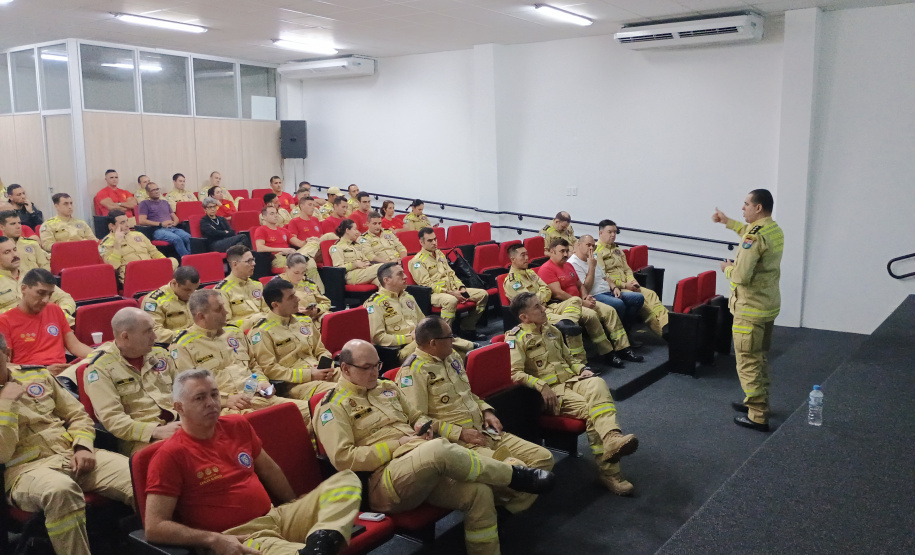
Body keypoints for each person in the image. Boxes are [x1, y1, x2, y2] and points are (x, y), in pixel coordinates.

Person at [315, 339, 556, 555]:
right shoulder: (332, 407)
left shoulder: (386, 387)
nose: (374, 372)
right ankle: (515, 476)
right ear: (345, 368)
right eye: (366, 367)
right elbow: (343, 458)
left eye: (377, 365)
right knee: (438, 448)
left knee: (479, 493)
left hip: (423, 465)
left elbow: (416, 416)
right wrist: (396, 445)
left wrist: (423, 426)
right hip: (385, 481)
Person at [144, 368, 361, 555]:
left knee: (346, 480)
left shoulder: (236, 425)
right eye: (200, 398)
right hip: (240, 536)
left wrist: (294, 503)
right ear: (179, 407)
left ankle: (320, 544)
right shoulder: (170, 455)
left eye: (214, 394)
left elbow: (269, 470)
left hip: (275, 517)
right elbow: (154, 527)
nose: (211, 403)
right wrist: (212, 539)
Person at [397, 316, 554, 513]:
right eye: (449, 336)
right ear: (433, 343)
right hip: (460, 445)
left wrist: (486, 410)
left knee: (544, 458)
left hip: (486, 431)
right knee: (519, 473)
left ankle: (503, 510)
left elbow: (468, 394)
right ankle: (493, 506)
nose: (454, 340)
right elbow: (418, 421)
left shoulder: (452, 357)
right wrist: (460, 433)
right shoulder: (412, 372)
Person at [0, 334, 134, 555]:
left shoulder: (37, 375)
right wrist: (6, 404)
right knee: (60, 490)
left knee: (138, 474)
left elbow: (77, 415)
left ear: (6, 354)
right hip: (25, 472)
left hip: (71, 454)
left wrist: (83, 446)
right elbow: (2, 453)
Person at [507, 292, 639, 495]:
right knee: (592, 411)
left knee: (597, 382)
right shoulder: (515, 338)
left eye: (541, 304)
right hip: (550, 394)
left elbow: (570, 360)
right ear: (524, 317)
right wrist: (541, 386)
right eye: (537, 307)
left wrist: (582, 369)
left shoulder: (552, 330)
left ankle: (612, 438)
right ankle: (610, 473)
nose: (543, 308)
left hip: (571, 381)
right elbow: (514, 373)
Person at [170, 290, 311, 420]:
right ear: (201, 316)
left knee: (314, 410)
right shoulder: (182, 346)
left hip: (260, 398)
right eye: (219, 309)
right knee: (275, 425)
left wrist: (262, 382)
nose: (226, 312)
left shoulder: (234, 332)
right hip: (228, 409)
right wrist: (226, 400)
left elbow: (253, 365)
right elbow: (191, 390)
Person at [712, 189, 784, 432]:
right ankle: (759, 402)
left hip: (749, 310)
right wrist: (728, 222)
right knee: (759, 357)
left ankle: (758, 415)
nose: (742, 208)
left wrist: (726, 268)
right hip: (767, 307)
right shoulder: (773, 229)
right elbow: (748, 232)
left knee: (747, 362)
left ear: (758, 207)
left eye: (746, 204)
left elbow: (741, 276)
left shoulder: (754, 237)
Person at [83, 307, 180, 455]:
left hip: (179, 424)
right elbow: (113, 419)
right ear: (125, 336)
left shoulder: (161, 354)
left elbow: (184, 392)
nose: (154, 336)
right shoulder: (100, 369)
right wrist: (156, 431)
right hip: (141, 439)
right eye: (148, 331)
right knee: (178, 454)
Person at [503, 243, 618, 366]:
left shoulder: (530, 273)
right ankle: (580, 363)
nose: (527, 258)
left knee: (578, 302)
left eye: (527, 254)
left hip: (551, 306)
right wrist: (541, 295)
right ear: (513, 259)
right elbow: (530, 304)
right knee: (573, 326)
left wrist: (539, 295)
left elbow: (547, 290)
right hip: (537, 313)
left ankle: (607, 352)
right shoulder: (512, 282)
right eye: (523, 255)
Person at [538, 238, 641, 365]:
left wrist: (586, 296)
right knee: (592, 315)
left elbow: (580, 285)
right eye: (561, 251)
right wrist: (582, 302)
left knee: (610, 311)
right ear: (551, 252)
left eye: (566, 251)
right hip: (565, 305)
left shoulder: (568, 266)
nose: (565, 254)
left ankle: (623, 348)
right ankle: (607, 353)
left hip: (580, 300)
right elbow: (558, 293)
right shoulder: (546, 269)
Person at [250, 279, 341, 400]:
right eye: (291, 297)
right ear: (275, 305)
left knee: (360, 377)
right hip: (297, 384)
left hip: (321, 372)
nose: (297, 299)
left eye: (295, 294)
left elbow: (321, 350)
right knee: (341, 392)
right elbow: (269, 369)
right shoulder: (261, 331)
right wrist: (309, 375)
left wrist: (326, 367)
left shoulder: (304, 320)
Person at [366, 262, 476, 361]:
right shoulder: (374, 303)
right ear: (387, 280)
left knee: (453, 352)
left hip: (422, 343)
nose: (405, 276)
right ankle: (472, 347)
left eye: (403, 273)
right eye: (400, 274)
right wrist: (410, 337)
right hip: (401, 350)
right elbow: (378, 338)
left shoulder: (407, 297)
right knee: (441, 342)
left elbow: (424, 322)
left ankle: (472, 351)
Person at [0, 268, 92, 372]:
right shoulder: (5, 321)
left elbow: (75, 346)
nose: (46, 300)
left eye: (50, 295)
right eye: (41, 293)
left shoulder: (55, 310)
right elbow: (5, 365)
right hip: (28, 376)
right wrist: (44, 371)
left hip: (61, 373)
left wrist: (99, 356)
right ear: (23, 289)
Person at [410, 227, 488, 341]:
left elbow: (451, 273)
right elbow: (426, 284)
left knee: (483, 294)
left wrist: (461, 287)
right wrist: (451, 293)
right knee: (451, 300)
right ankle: (445, 336)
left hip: (453, 289)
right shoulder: (416, 261)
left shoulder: (440, 254)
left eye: (435, 239)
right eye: (430, 240)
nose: (434, 242)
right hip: (434, 294)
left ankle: (467, 328)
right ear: (421, 242)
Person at [594, 220, 669, 336]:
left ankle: (667, 324)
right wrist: (625, 285)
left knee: (651, 294)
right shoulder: (596, 251)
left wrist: (632, 281)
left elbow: (627, 269)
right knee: (643, 304)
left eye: (615, 232)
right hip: (614, 288)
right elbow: (603, 276)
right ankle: (662, 333)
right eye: (610, 232)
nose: (613, 235)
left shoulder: (617, 250)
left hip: (628, 285)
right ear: (601, 233)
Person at [569, 234, 645, 326]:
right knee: (618, 304)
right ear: (579, 245)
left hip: (608, 291)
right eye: (588, 245)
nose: (591, 248)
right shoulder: (573, 263)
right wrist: (592, 267)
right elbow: (586, 289)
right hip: (595, 294)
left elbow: (605, 277)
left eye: (593, 246)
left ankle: (625, 326)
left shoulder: (591, 259)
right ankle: (617, 328)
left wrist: (614, 287)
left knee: (638, 298)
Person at [0, 237, 76, 326]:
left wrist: (63, 311)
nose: (14, 255)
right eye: (7, 252)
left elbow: (65, 298)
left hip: (55, 324)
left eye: (15, 250)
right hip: (18, 328)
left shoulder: (34, 275)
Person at [98, 210, 178, 281]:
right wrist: (117, 243)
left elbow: (154, 252)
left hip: (150, 268)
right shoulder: (106, 243)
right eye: (122, 222)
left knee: (173, 260)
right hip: (132, 275)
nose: (127, 225)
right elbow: (113, 266)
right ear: (111, 226)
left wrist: (164, 263)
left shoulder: (138, 234)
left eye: (127, 221)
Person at [141, 266, 200, 344]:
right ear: (174, 283)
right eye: (187, 290)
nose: (191, 294)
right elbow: (154, 332)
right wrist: (187, 334)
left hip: (198, 340)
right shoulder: (153, 301)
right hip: (171, 344)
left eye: (195, 289)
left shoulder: (197, 296)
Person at [215, 245, 267, 329]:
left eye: (253, 259)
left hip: (265, 328)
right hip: (242, 332)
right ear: (235, 264)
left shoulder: (257, 285)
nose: (254, 263)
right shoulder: (222, 290)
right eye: (249, 261)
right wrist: (251, 321)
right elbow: (225, 324)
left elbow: (267, 310)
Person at [137, 182, 193, 258]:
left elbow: (175, 217)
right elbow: (142, 221)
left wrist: (174, 223)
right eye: (153, 190)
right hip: (158, 230)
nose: (156, 191)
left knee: (188, 237)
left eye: (157, 189)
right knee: (177, 239)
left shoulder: (165, 202)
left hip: (172, 228)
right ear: (147, 192)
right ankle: (187, 259)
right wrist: (160, 224)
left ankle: (189, 258)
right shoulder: (144, 203)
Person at [275, 253, 331, 326]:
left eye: (303, 273)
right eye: (296, 273)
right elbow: (268, 310)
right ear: (287, 269)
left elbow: (326, 303)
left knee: (332, 319)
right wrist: (294, 311)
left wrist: (317, 309)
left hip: (314, 320)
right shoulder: (276, 285)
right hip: (293, 323)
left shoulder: (308, 283)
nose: (300, 276)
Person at [330, 219, 382, 286]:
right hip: (351, 276)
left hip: (364, 272)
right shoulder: (337, 247)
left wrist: (366, 263)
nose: (357, 232)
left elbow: (365, 260)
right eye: (355, 229)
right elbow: (338, 269)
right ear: (347, 230)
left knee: (385, 282)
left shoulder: (356, 245)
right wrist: (355, 264)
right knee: (383, 267)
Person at [0, 209, 50, 274]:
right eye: (13, 224)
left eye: (19, 223)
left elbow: (45, 265)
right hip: (9, 279)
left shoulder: (32, 244)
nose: (18, 226)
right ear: (2, 227)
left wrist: (42, 278)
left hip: (34, 279)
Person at [254, 205, 296, 270]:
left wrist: (308, 241)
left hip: (290, 255)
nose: (276, 215)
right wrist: (282, 250)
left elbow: (299, 243)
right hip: (275, 258)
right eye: (272, 214)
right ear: (264, 217)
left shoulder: (283, 230)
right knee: (296, 264)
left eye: (276, 213)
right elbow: (260, 248)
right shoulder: (261, 230)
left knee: (308, 260)